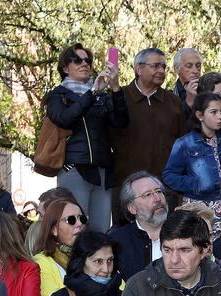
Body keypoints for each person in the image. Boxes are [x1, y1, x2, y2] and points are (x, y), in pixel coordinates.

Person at [44, 43, 127, 231]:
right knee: (74, 229)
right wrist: (92, 93)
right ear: (65, 68)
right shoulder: (58, 95)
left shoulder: (100, 95)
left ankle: (97, 261)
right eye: (77, 60)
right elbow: (64, 119)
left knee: (100, 229)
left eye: (87, 60)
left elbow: (121, 122)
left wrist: (115, 89)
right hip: (74, 168)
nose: (84, 64)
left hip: (102, 170)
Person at [111, 48, 188, 215]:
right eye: (155, 66)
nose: (161, 71)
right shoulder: (119, 97)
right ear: (139, 69)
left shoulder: (173, 102)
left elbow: (182, 144)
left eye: (163, 67)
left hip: (166, 186)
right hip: (127, 186)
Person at [163, 92, 221, 235]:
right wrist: (195, 183)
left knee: (218, 248)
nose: (220, 116)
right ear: (200, 115)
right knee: (198, 244)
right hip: (198, 207)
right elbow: (169, 175)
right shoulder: (185, 144)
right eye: (214, 112)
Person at [108, 172, 168, 281]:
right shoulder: (117, 241)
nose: (158, 199)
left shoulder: (185, 232)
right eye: (148, 194)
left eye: (159, 191)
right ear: (132, 208)